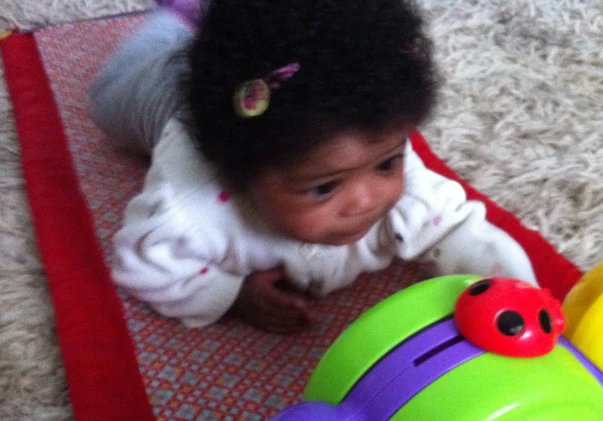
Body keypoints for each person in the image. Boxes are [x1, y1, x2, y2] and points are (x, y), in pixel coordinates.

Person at [89, 0, 538, 333]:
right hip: (161, 90)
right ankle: (181, 17)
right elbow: (145, 269)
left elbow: (459, 230)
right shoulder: (193, 211)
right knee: (112, 93)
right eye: (324, 188)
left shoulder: (390, 167)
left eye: (386, 163)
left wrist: (522, 303)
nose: (367, 200)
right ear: (241, 177)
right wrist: (232, 294)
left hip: (275, 84)